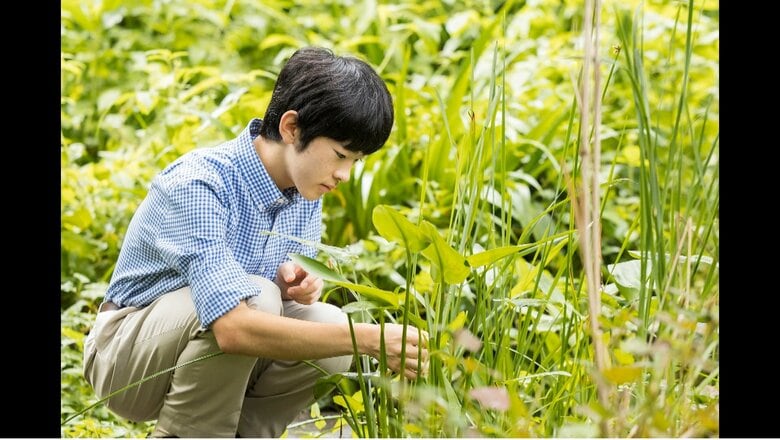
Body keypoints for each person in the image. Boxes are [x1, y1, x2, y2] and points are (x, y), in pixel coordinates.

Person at [82, 46, 429, 438]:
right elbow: (232, 328)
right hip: (124, 359)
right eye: (340, 155)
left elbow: (270, 305)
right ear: (291, 128)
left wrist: (292, 288)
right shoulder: (199, 184)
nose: (345, 174)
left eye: (356, 161)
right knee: (260, 299)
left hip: (207, 356)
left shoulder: (305, 190)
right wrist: (369, 338)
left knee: (329, 324)